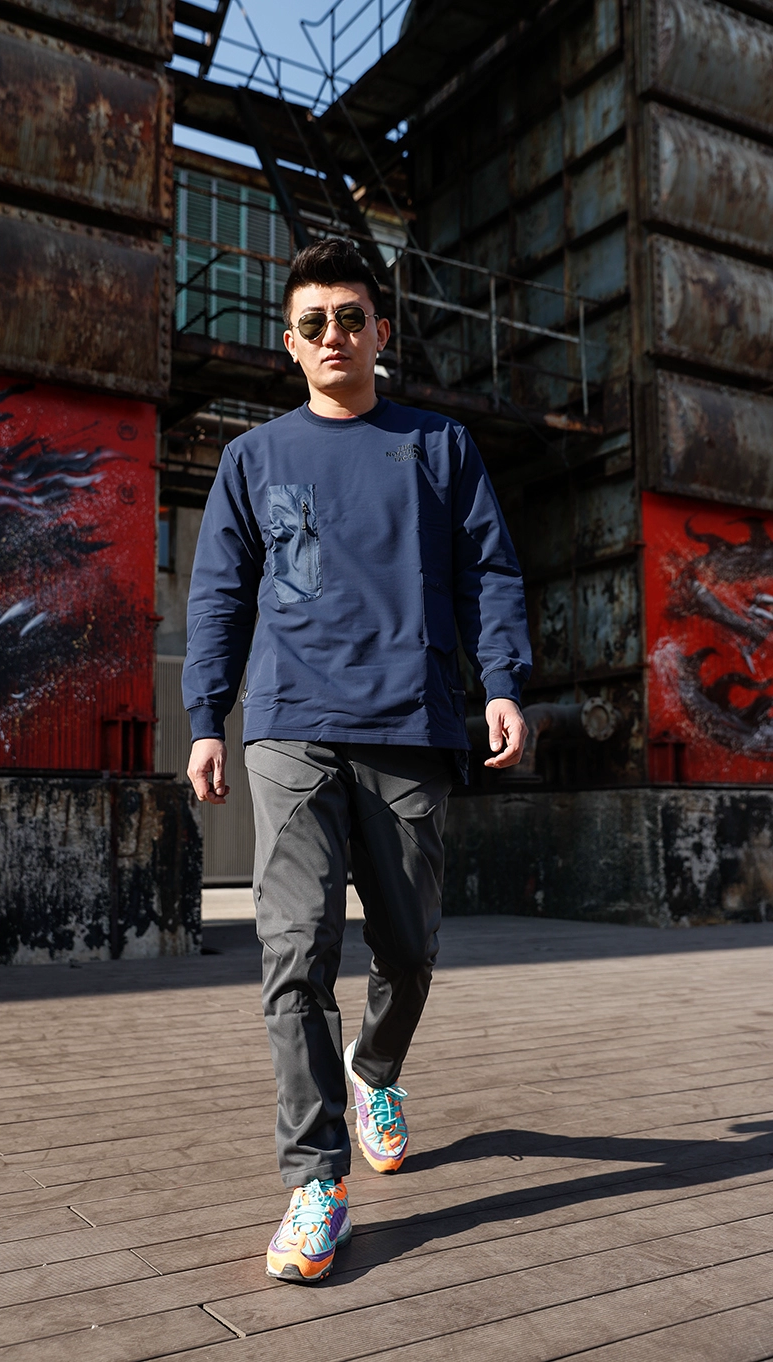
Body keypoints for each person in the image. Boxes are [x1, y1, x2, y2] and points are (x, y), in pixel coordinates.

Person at [183, 237, 530, 1285]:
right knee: (294, 951)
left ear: (380, 331)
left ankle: (374, 1068)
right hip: (290, 726)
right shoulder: (253, 460)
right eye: (313, 323)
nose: (333, 335)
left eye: (350, 317)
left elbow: (489, 569)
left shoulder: (438, 446)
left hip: (411, 723)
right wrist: (206, 715)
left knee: (409, 948)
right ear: (289, 344)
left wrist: (502, 681)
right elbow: (219, 594)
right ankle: (314, 1181)